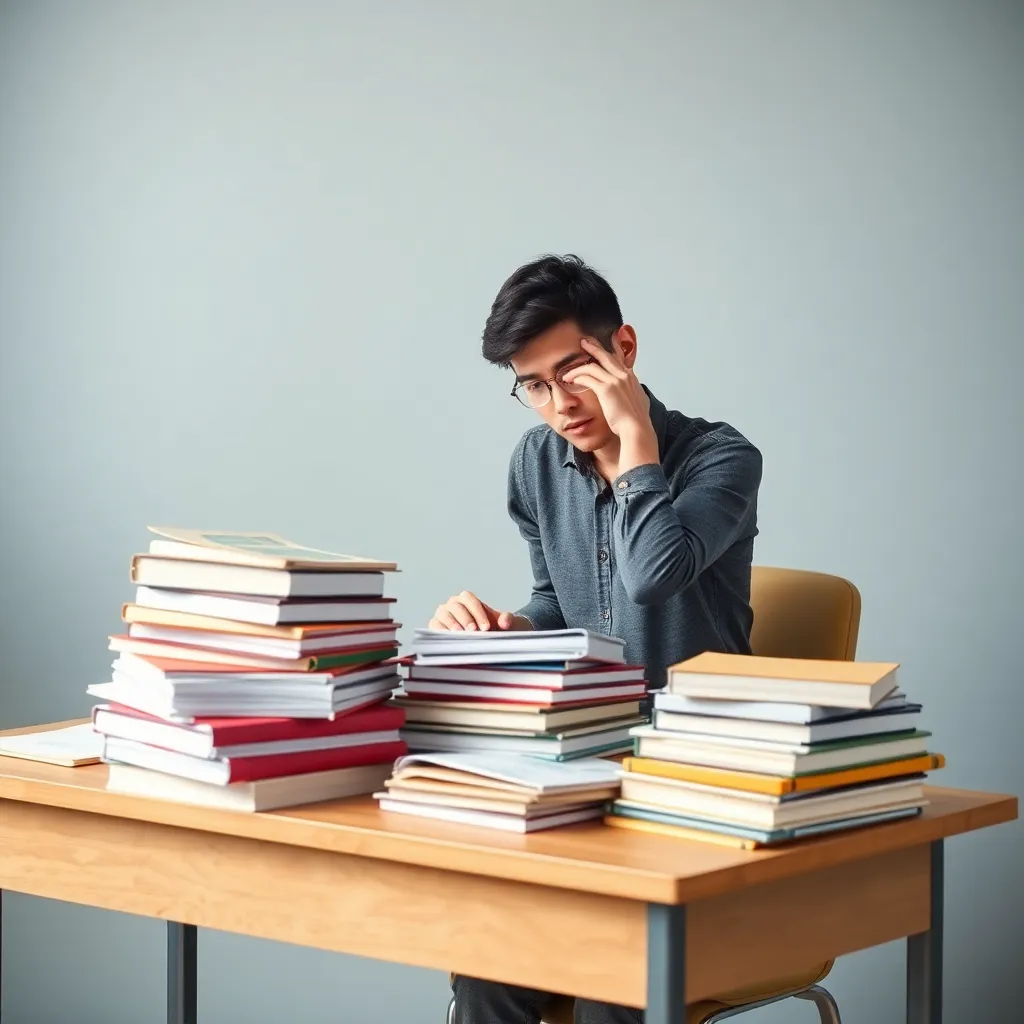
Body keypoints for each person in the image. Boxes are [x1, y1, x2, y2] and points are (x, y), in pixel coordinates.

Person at [431, 254, 763, 1024]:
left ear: (624, 350)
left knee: (617, 981)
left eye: (573, 372)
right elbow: (561, 599)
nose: (558, 405)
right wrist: (510, 627)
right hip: (586, 775)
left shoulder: (722, 458)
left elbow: (652, 575)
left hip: (700, 788)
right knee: (485, 969)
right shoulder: (535, 463)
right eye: (533, 386)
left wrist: (635, 440)